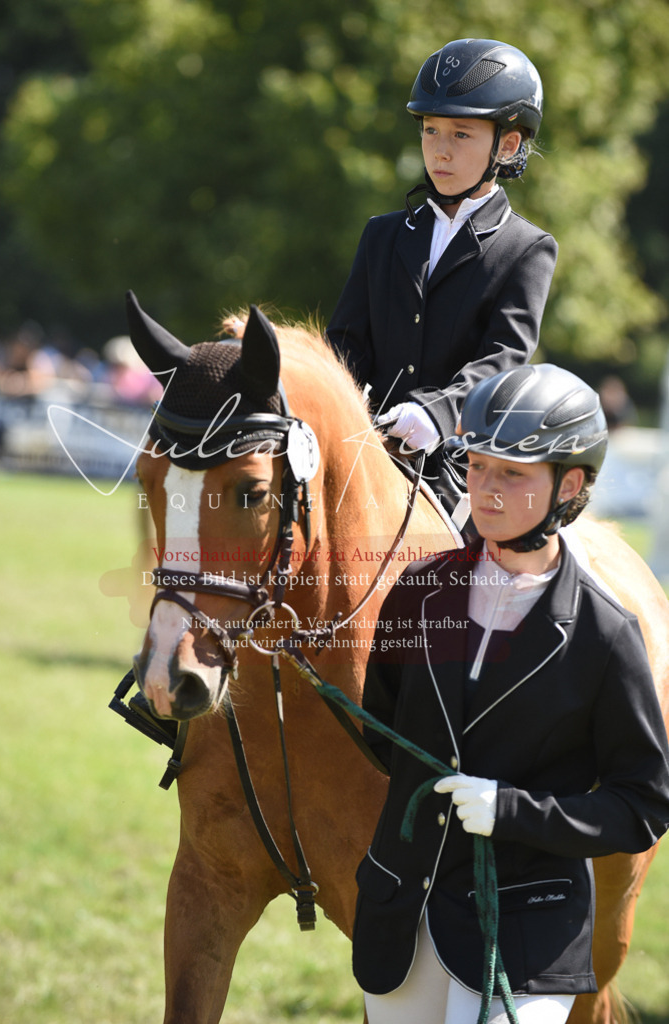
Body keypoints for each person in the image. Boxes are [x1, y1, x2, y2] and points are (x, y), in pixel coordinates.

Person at [353, 364, 669, 1024]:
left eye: (513, 473)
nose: (486, 490)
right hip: (401, 916)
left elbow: (640, 807)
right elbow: (384, 731)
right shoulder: (418, 593)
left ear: (572, 484)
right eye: (476, 467)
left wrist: (513, 812)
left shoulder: (606, 634)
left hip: (526, 928)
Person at [326, 39, 558, 516]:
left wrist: (438, 411)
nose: (440, 151)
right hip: (367, 448)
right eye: (431, 132)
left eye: (461, 135)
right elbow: (345, 345)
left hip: (461, 465)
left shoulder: (527, 249)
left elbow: (503, 359)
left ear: (507, 144)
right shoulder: (383, 235)